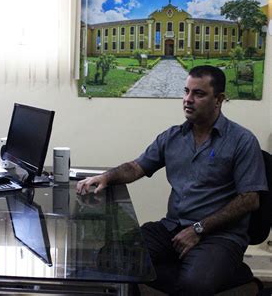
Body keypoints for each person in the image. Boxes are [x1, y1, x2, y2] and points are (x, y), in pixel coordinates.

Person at [77, 65, 268, 295]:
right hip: (173, 227)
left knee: (193, 284)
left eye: (198, 94)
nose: (188, 99)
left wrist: (198, 229)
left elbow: (250, 199)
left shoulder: (242, 141)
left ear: (218, 99)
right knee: (113, 256)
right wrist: (106, 177)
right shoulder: (173, 136)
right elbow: (137, 167)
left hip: (220, 236)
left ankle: (233, 272)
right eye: (186, 91)